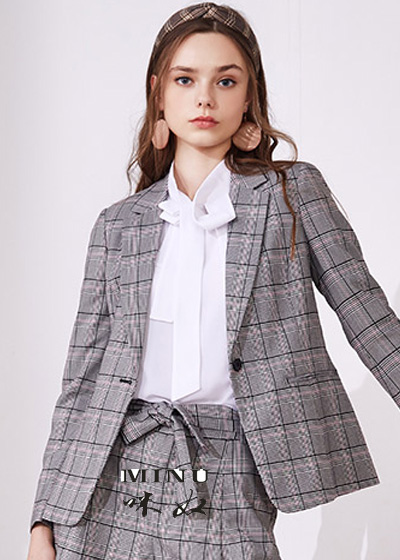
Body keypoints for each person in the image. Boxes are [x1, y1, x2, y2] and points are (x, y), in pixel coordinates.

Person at [27, 2, 400, 559]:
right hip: (113, 478)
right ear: (159, 93)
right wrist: (44, 520)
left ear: (249, 96)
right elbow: (82, 381)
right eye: (185, 79)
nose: (205, 98)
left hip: (230, 468)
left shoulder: (291, 195)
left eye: (226, 81)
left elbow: (368, 317)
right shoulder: (118, 225)